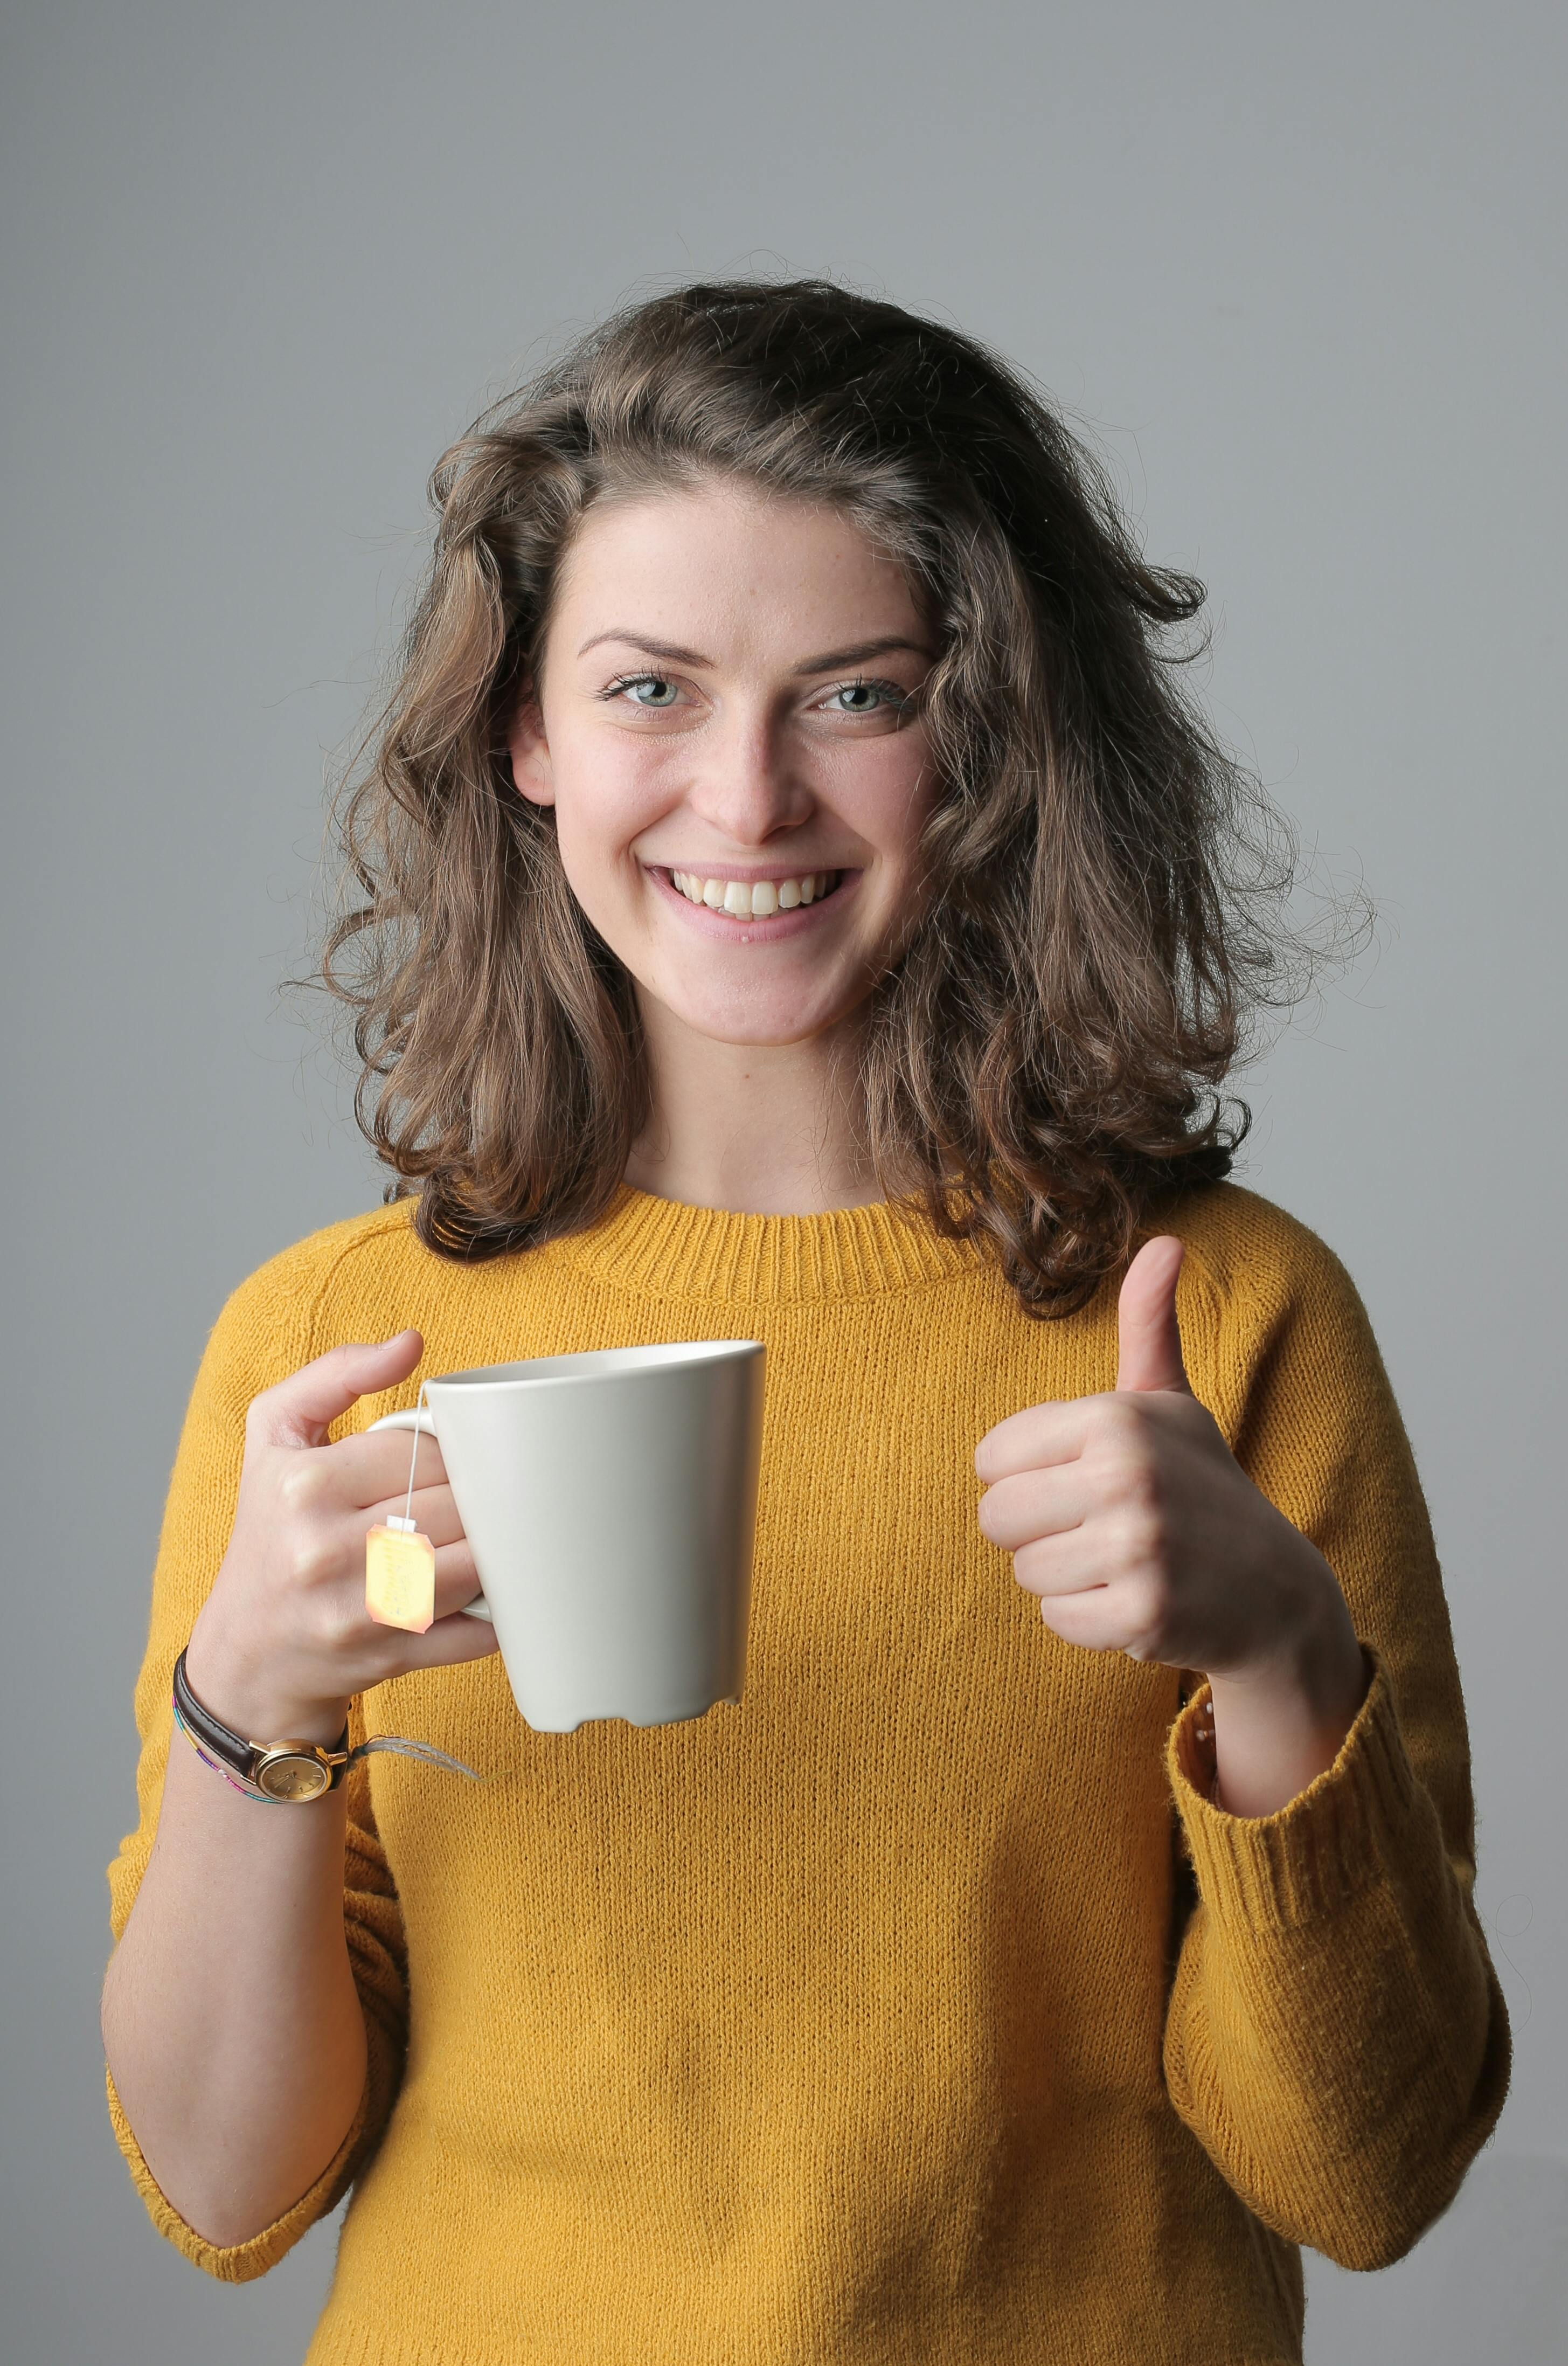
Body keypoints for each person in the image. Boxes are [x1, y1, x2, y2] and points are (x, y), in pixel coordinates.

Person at [101, 280, 1509, 2365]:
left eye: (857, 695)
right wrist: (249, 1707)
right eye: (651, 688)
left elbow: (1368, 2178)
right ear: (525, 733)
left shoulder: (1221, 1318)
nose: (746, 800)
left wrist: (1283, 1655)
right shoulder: (332, 1346)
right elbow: (227, 2191)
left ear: (990, 746)